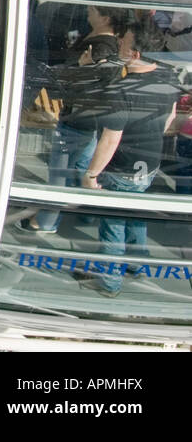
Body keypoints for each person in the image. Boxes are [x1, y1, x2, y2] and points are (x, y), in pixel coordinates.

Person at [76, 32, 185, 297]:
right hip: (149, 164)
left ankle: (109, 282)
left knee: (112, 227)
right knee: (136, 216)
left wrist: (91, 175)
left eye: (122, 44)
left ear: (135, 55)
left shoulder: (123, 91)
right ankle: (137, 263)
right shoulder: (168, 76)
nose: (118, 46)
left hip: (121, 170)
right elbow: (170, 116)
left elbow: (110, 140)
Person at [20, 5, 130, 234]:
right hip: (84, 120)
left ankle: (47, 221)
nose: (88, 12)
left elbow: (89, 84)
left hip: (77, 120)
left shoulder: (101, 47)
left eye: (93, 10)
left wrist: (78, 68)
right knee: (79, 168)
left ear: (105, 17)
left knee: (60, 175)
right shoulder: (105, 43)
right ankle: (86, 213)